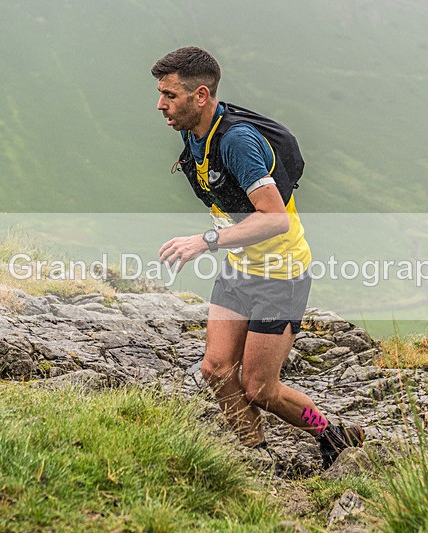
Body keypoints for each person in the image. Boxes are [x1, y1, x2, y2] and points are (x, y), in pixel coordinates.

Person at [151, 46, 364, 468]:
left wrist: (205, 240)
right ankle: (257, 458)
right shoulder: (193, 130)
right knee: (215, 369)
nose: (160, 105)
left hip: (280, 275)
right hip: (239, 268)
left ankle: (332, 434)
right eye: (160, 94)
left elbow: (275, 220)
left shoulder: (238, 143)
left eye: (169, 95)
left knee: (260, 388)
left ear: (201, 96)